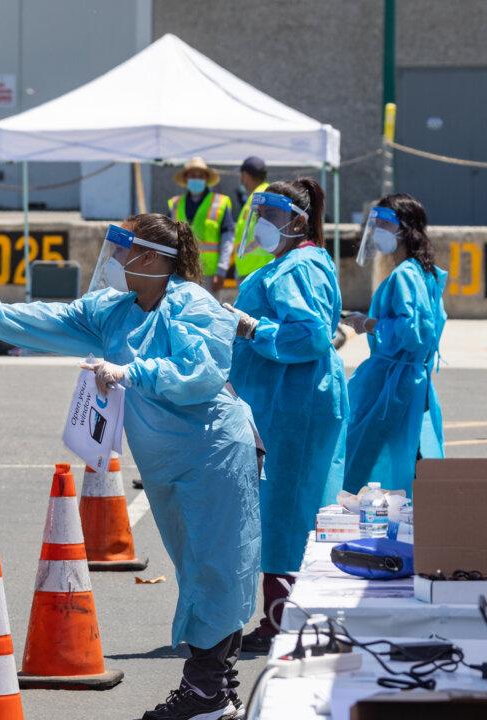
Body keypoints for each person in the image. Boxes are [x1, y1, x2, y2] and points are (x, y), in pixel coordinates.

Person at [0, 214, 261, 720]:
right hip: (169, 460)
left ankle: (206, 693)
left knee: (216, 570)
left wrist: (131, 371)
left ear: (151, 258)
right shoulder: (117, 311)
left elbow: (199, 376)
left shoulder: (193, 306)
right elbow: (54, 320)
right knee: (197, 570)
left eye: (121, 250)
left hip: (213, 453)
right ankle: (216, 691)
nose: (112, 260)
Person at [223, 178, 347, 653]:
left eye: (271, 216)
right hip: (285, 401)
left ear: (296, 219)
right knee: (284, 506)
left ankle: (283, 618)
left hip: (294, 403)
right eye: (260, 214)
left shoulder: (299, 266)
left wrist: (252, 327)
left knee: (286, 509)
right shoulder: (291, 263)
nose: (262, 225)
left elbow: (310, 335)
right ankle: (284, 613)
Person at [342, 193, 447, 496]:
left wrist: (369, 324)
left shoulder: (405, 275)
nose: (376, 232)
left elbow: (413, 332)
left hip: (395, 384)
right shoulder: (421, 271)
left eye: (383, 224)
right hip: (407, 381)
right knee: (411, 452)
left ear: (403, 229)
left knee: (370, 454)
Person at [167, 156, 233, 296]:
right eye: (192, 175)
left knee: (208, 312)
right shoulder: (175, 204)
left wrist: (221, 270)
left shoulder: (219, 202)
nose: (196, 179)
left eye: (200, 175)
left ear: (206, 179)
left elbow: (227, 237)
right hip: (181, 271)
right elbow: (167, 238)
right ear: (186, 179)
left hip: (208, 273)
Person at [231, 156, 272, 281]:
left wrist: (246, 250)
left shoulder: (261, 196)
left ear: (245, 175)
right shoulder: (259, 195)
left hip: (257, 267)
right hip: (254, 267)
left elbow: (268, 229)